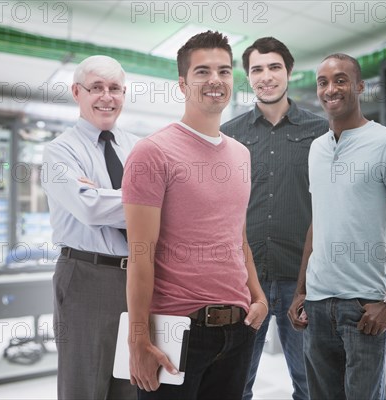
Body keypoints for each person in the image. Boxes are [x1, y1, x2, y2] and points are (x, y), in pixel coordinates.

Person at [121, 31, 268, 399]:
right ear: (183, 84)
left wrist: (259, 297)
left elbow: (239, 237)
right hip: (178, 331)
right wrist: (137, 339)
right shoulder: (152, 153)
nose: (215, 80)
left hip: (239, 331)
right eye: (202, 72)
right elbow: (140, 252)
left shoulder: (241, 155)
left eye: (223, 71)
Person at [287, 53, 386, 400]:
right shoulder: (316, 148)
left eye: (340, 80)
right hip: (317, 306)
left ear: (360, 86)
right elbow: (317, 221)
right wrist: (301, 290)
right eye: (323, 82)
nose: (330, 89)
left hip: (363, 308)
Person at [221, 37, 326, 400]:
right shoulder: (230, 134)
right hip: (245, 279)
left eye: (274, 67)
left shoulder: (320, 132)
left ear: (289, 72)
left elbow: (333, 203)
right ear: (247, 76)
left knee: (310, 384)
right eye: (257, 69)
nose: (266, 76)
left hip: (303, 277)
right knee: (235, 384)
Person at [41, 55, 139, 400]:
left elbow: (165, 203)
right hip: (86, 275)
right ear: (76, 92)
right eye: (96, 87)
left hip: (138, 277)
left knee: (131, 386)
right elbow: (90, 208)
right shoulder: (59, 152)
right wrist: (141, 199)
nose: (106, 97)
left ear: (124, 94)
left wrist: (103, 194)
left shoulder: (138, 147)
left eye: (114, 88)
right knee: (85, 387)